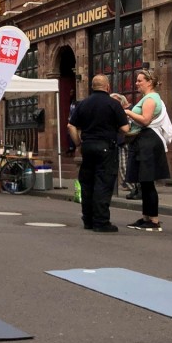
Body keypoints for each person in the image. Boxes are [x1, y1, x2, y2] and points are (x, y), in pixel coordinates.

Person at [69, 75, 130, 232]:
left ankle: (88, 220)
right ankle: (101, 221)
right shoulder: (113, 104)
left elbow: (71, 125)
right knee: (103, 183)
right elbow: (125, 129)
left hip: (87, 147)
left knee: (87, 183)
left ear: (92, 86)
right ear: (108, 87)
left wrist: (78, 143)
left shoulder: (82, 104)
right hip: (106, 147)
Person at [123, 69, 172, 232]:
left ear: (149, 82)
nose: (136, 83)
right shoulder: (147, 98)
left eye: (139, 80)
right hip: (144, 142)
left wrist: (128, 112)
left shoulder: (151, 99)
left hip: (148, 142)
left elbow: (145, 120)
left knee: (148, 181)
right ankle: (146, 217)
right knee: (144, 182)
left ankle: (154, 220)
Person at [109, 93, 134, 193]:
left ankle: (135, 187)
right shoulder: (114, 112)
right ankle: (131, 186)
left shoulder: (131, 109)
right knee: (123, 166)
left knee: (132, 165)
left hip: (131, 140)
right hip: (121, 142)